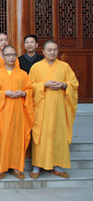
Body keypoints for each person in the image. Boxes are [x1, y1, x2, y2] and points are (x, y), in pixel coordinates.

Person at [29, 40, 78, 179]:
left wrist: (64, 85)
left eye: (55, 50)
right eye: (49, 50)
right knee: (41, 136)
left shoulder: (64, 66)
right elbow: (30, 86)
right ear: (43, 52)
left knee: (58, 135)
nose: (52, 52)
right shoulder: (36, 67)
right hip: (42, 108)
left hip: (59, 109)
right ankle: (36, 166)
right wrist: (44, 84)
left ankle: (56, 165)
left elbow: (74, 83)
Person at [0, 45, 34, 180]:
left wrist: (23, 92)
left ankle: (16, 168)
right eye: (8, 54)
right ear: (3, 57)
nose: (11, 57)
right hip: (2, 112)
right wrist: (4, 94)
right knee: (1, 138)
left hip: (18, 112)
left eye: (13, 54)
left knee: (17, 139)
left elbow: (30, 89)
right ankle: (1, 168)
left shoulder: (23, 74)